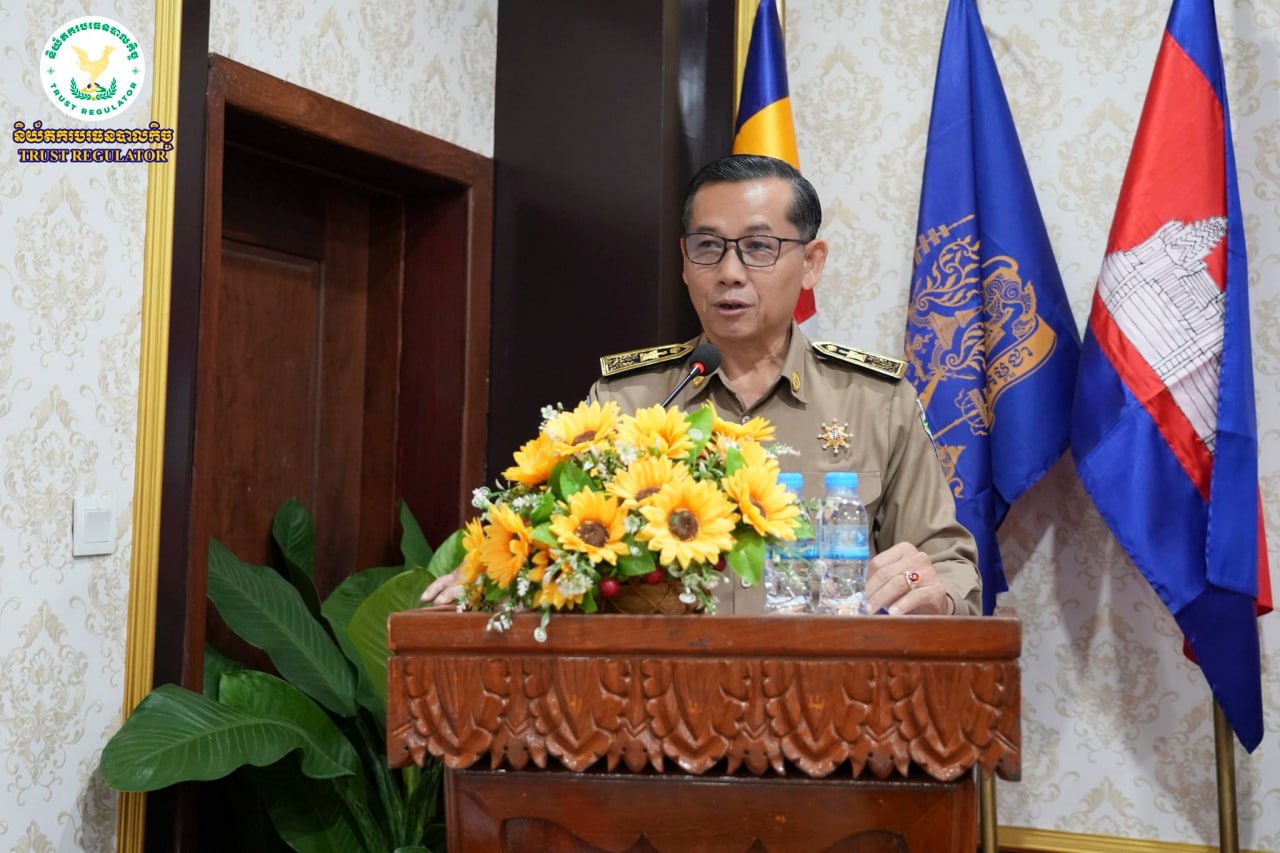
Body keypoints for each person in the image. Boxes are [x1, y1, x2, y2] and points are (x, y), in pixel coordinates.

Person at [425, 154, 980, 615]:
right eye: (708, 247)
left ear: (812, 263)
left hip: (820, 701)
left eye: (759, 247)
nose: (729, 272)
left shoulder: (877, 402)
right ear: (685, 262)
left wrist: (929, 589)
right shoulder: (625, 401)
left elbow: (950, 567)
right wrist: (502, 576)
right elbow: (553, 543)